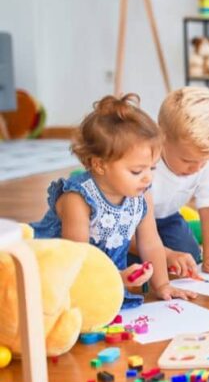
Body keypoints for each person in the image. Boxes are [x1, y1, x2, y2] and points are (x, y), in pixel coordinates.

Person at [30, 94, 196, 308]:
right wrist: (115, 277)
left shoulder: (142, 194)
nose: (148, 177)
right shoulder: (78, 199)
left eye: (152, 168)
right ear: (100, 165)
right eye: (137, 171)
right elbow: (77, 257)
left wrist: (162, 285)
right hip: (60, 274)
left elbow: (151, 242)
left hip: (107, 279)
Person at [150, 86, 209, 275]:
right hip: (127, 223)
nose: (196, 169)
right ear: (161, 138)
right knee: (141, 263)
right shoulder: (144, 164)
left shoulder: (203, 157)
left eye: (203, 162)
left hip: (167, 217)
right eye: (187, 161)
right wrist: (164, 254)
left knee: (191, 257)